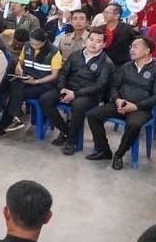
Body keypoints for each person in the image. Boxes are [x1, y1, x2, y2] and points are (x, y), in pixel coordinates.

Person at [84, 35, 156, 168]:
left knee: (134, 124)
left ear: (147, 50)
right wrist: (117, 99)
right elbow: (114, 87)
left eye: (135, 47)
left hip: (140, 109)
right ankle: (104, 150)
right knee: (93, 115)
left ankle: (119, 155)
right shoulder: (126, 66)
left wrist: (136, 106)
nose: (131, 50)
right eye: (131, 47)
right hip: (120, 104)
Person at [43, 27, 112, 155]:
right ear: (86, 40)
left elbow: (99, 85)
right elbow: (63, 73)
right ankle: (66, 131)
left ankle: (71, 141)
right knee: (45, 99)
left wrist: (75, 94)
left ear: (104, 44)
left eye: (98, 41)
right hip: (69, 88)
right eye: (91, 39)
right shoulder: (75, 55)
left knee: (78, 105)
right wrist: (62, 88)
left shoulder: (106, 63)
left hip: (89, 94)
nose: (93, 43)